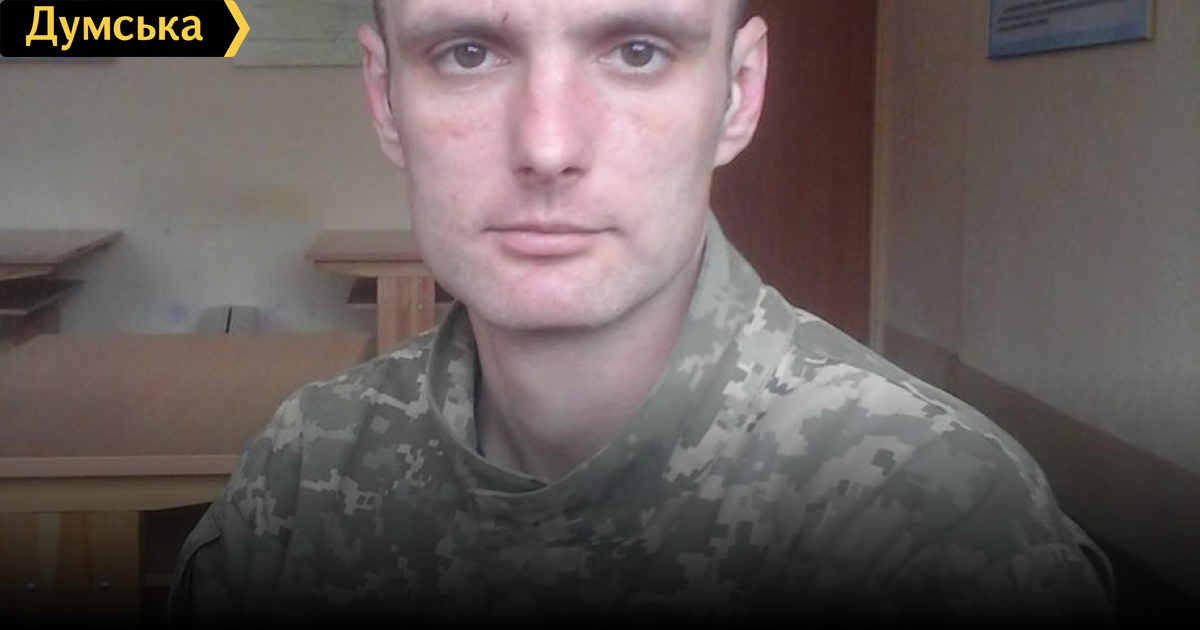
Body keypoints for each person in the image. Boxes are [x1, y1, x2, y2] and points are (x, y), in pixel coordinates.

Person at [165, 0, 1116, 625]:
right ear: (384, 99)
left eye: (636, 50)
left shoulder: (936, 524)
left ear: (738, 92)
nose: (547, 146)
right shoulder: (302, 477)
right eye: (468, 53)